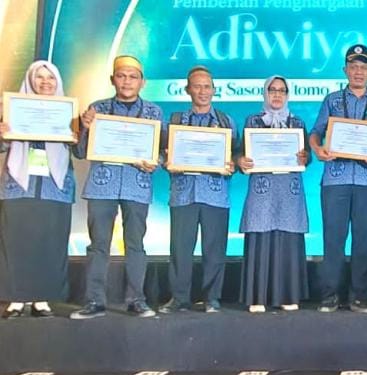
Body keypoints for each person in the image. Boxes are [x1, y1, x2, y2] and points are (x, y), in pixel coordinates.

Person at [70, 55, 163, 319]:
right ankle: (94, 301)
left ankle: (137, 300)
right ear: (113, 79)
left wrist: (155, 161)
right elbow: (79, 152)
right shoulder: (97, 109)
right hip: (103, 184)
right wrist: (84, 127)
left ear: (142, 82)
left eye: (133, 77)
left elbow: (161, 151)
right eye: (121, 76)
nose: (127, 81)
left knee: (135, 245)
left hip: (137, 184)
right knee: (98, 245)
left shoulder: (153, 112)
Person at [308, 44, 367, 313]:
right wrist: (317, 149)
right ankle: (329, 296)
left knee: (366, 240)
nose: (358, 72)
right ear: (345, 70)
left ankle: (360, 297)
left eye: (363, 67)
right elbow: (316, 132)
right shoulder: (331, 100)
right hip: (336, 180)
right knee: (333, 239)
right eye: (353, 67)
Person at [0, 61, 78, 318]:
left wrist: (80, 132)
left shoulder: (69, 114)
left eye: (51, 78)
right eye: (39, 77)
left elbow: (80, 150)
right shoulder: (12, 111)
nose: (45, 82)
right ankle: (16, 299)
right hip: (19, 184)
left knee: (50, 241)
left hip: (55, 185)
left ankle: (42, 298)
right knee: (15, 240)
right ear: (30, 80)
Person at [159, 66, 237, 314]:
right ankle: (179, 298)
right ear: (187, 89)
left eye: (207, 86)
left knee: (214, 250)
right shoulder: (175, 121)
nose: (202, 91)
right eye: (197, 86)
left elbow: (235, 155)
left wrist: (233, 164)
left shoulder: (226, 121)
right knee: (180, 250)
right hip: (183, 193)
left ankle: (211, 298)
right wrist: (166, 160)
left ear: (214, 90)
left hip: (216, 194)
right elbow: (162, 153)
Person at [237, 76, 310, 313]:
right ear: (265, 93)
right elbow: (241, 153)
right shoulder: (253, 121)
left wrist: (305, 157)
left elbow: (306, 155)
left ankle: (288, 295)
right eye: (272, 90)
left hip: (289, 190)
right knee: (261, 235)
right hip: (262, 189)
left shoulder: (297, 123)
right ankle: (257, 296)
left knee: (288, 237)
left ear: (287, 95)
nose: (277, 95)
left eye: (282, 91)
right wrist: (241, 161)